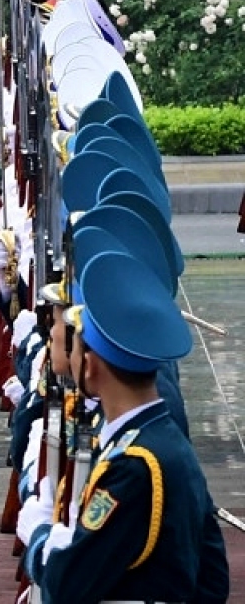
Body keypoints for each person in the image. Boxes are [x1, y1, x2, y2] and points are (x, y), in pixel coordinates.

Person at [17, 249, 230, 603]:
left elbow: (69, 583)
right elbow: (213, 575)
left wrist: (40, 537)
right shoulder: (160, 441)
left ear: (90, 366)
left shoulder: (135, 466)